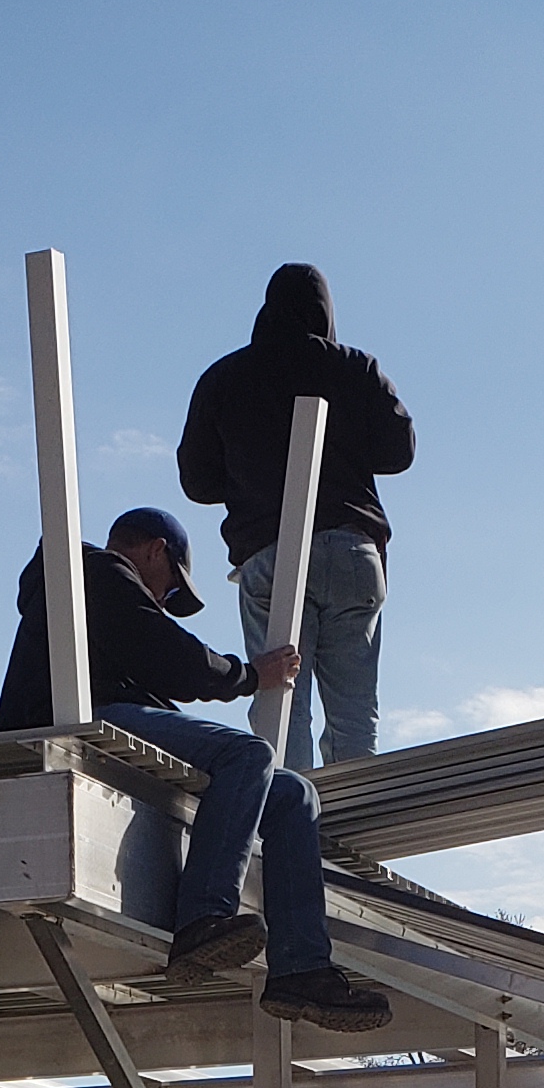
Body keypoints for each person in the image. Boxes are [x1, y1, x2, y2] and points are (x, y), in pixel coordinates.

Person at [0, 507, 391, 1034]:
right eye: (169, 588)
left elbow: (155, 671)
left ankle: (301, 968)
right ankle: (203, 915)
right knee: (247, 755)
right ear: (154, 550)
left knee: (293, 794)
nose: (163, 600)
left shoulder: (100, 606)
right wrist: (248, 676)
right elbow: (169, 655)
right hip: (74, 719)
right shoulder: (95, 571)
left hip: (110, 713)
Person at [177, 264, 414, 771]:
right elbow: (401, 451)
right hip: (353, 550)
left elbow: (196, 482)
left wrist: (248, 477)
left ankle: (294, 812)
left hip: (270, 552)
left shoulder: (224, 378)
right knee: (354, 710)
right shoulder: (354, 366)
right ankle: (354, 810)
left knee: (281, 700)